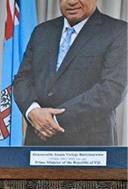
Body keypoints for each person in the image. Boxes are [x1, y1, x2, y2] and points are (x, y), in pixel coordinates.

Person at [13, 0, 127, 146]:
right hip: (38, 143)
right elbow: (22, 79)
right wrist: (32, 111)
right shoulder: (42, 31)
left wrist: (53, 120)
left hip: (89, 148)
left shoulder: (118, 31)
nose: (72, 2)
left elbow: (112, 90)